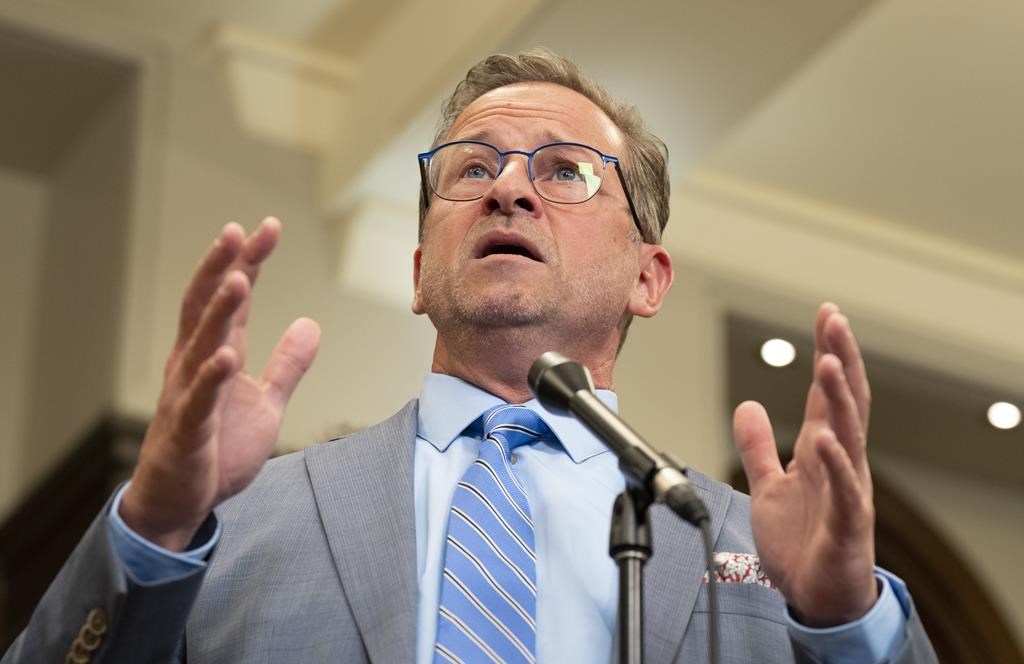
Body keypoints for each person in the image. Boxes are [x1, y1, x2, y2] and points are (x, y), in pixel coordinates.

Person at [4, 49, 936, 663]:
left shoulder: (754, 549)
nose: (509, 192)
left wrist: (848, 623)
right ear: (420, 274)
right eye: (474, 168)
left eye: (565, 170)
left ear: (648, 279)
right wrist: (154, 529)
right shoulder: (232, 519)